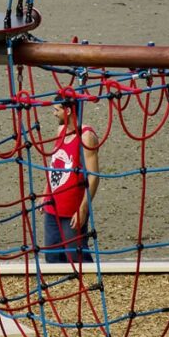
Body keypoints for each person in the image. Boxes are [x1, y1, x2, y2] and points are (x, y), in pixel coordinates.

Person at [42, 101, 100, 264]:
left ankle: (88, 288)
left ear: (67, 111)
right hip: (52, 206)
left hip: (72, 210)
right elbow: (54, 165)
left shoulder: (86, 137)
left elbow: (94, 176)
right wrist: (46, 193)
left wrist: (83, 210)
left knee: (76, 257)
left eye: (56, 110)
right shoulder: (60, 130)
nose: (54, 113)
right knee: (52, 256)